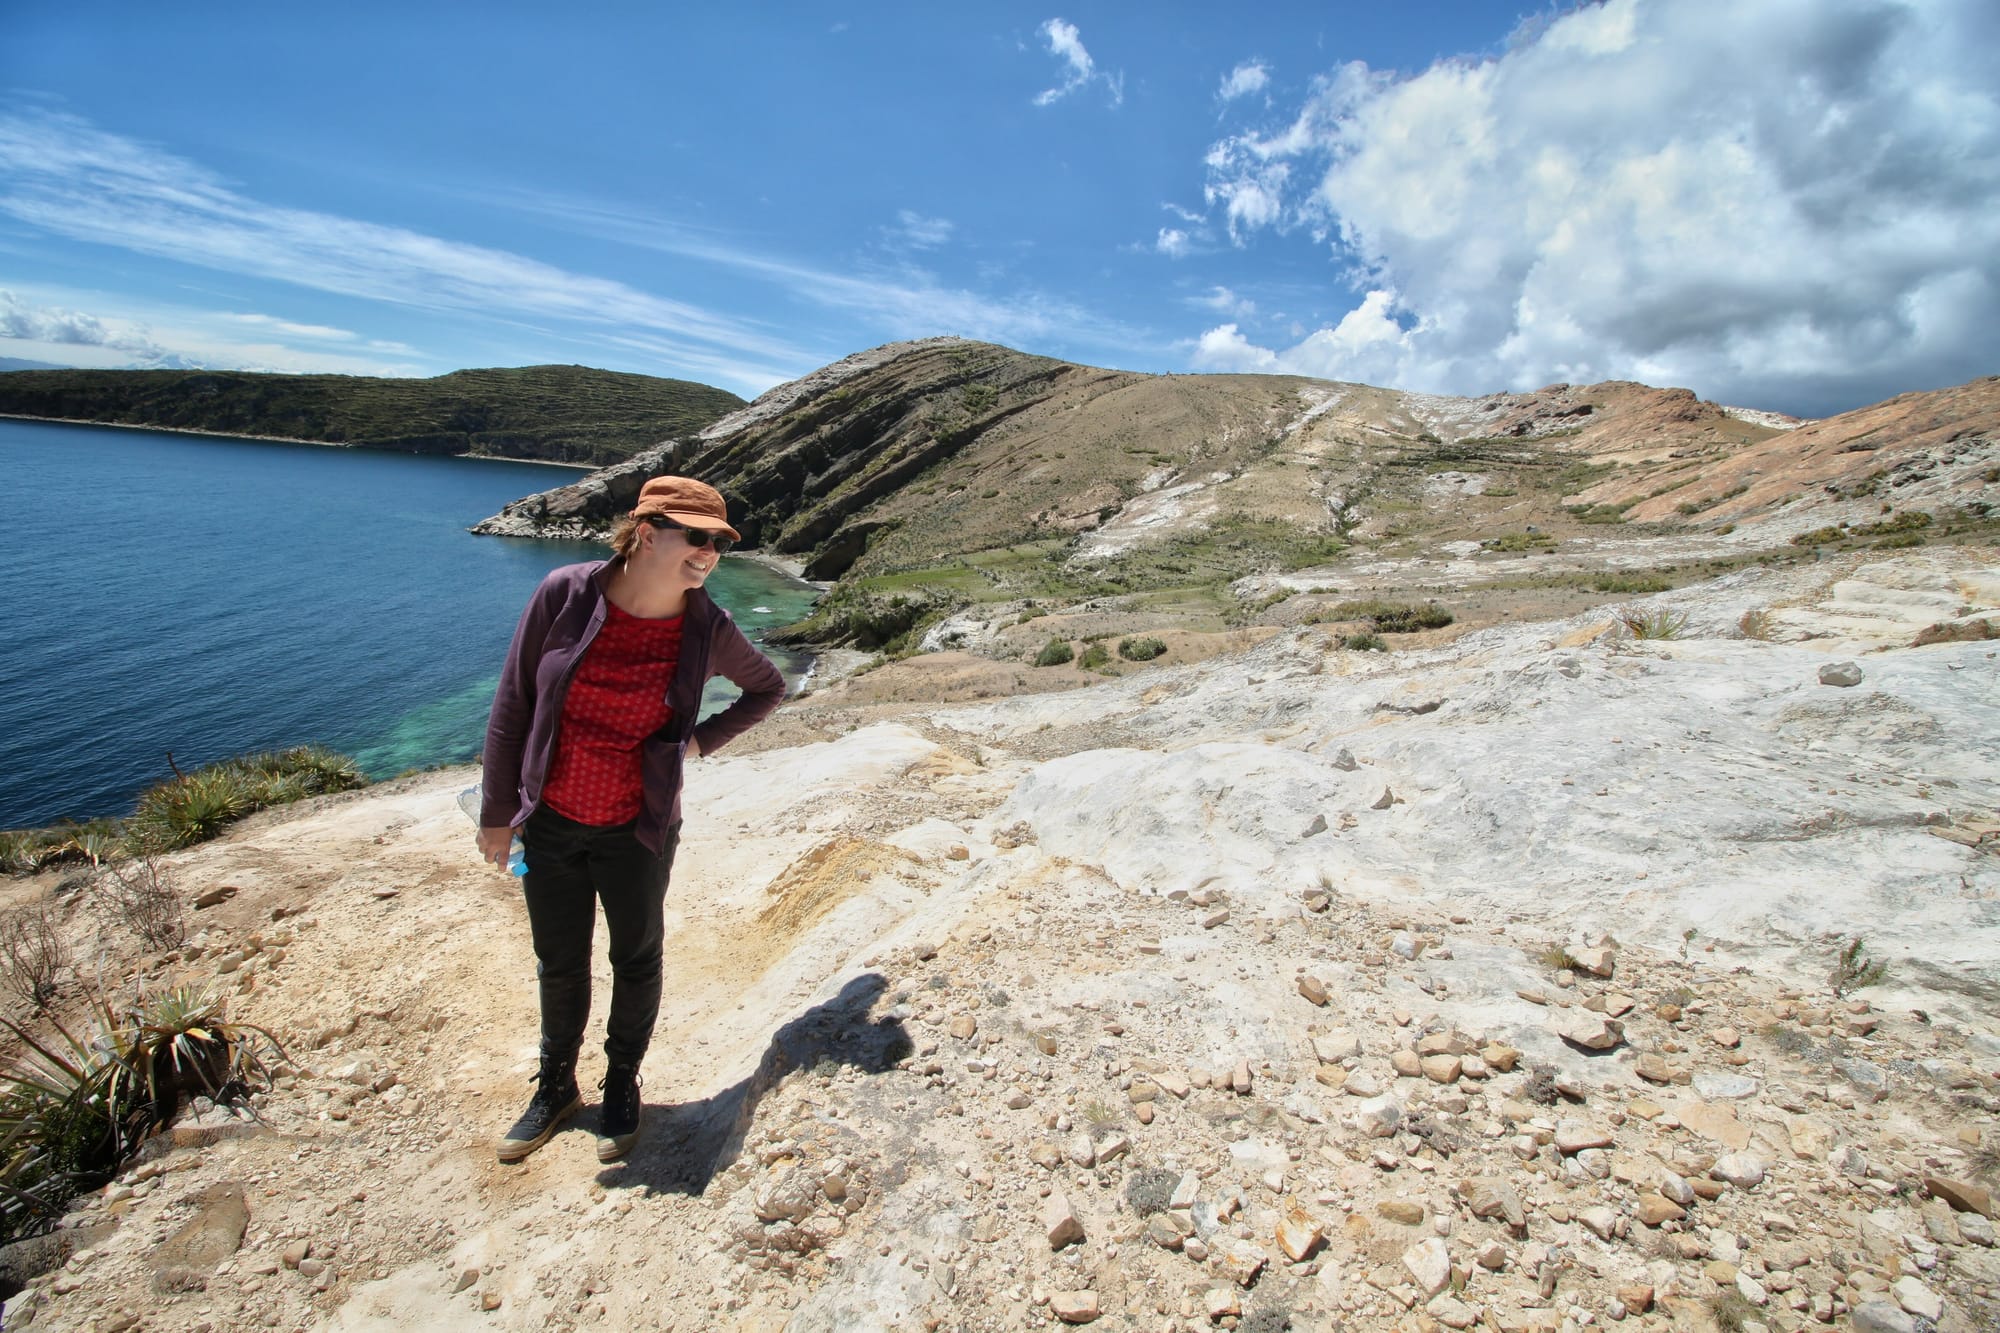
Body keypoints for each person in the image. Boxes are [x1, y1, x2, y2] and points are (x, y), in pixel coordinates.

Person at [477, 475, 784, 1164]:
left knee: (635, 957)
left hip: (639, 829)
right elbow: (514, 701)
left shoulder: (707, 625)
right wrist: (499, 813)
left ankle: (622, 1081)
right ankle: (556, 1085)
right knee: (559, 960)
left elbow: (767, 686)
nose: (709, 553)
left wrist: (700, 741)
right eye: (695, 536)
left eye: (720, 542)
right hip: (551, 819)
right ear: (647, 532)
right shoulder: (564, 592)